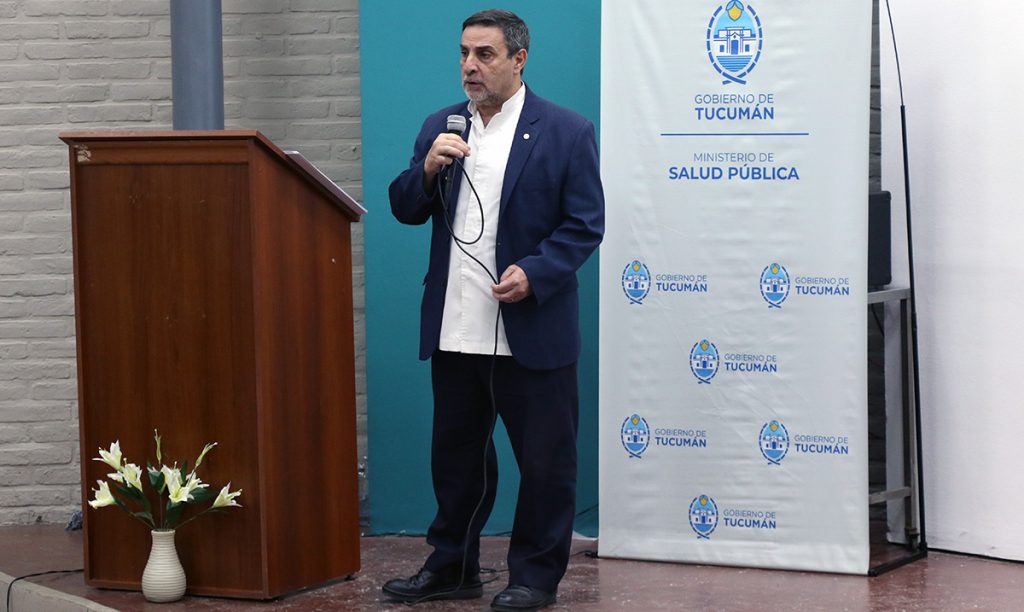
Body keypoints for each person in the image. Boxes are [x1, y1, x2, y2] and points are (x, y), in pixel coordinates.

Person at [383, 8, 604, 611]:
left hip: (530, 327)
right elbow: (404, 207)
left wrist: (536, 272)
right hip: (456, 327)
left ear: (518, 59)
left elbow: (585, 223)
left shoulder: (565, 131)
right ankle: (452, 567)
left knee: (545, 463)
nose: (469, 66)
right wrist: (426, 168)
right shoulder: (442, 125)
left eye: (484, 54)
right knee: (457, 459)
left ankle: (535, 577)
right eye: (463, 53)